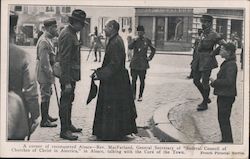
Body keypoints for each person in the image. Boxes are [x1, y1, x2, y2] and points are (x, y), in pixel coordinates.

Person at [90, 20, 138, 141]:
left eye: (106, 27)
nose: (104, 29)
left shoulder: (116, 42)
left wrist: (100, 74)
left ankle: (110, 134)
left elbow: (115, 64)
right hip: (114, 79)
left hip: (114, 81)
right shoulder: (115, 40)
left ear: (112, 28)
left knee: (111, 107)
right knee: (114, 108)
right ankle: (114, 132)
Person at [57, 9, 88, 140]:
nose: (82, 27)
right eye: (81, 24)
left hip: (71, 75)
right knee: (65, 101)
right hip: (67, 76)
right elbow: (64, 59)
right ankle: (64, 130)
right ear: (75, 22)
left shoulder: (72, 33)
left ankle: (68, 125)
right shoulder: (67, 35)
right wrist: (67, 81)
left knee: (69, 100)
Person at [8, 11, 40, 140]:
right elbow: (30, 90)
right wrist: (35, 115)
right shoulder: (22, 55)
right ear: (14, 29)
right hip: (14, 113)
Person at [191, 14, 226, 111]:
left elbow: (224, 44)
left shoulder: (214, 34)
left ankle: (205, 103)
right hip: (198, 60)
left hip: (207, 60)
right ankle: (206, 97)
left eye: (205, 22)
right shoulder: (202, 33)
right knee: (196, 80)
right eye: (202, 22)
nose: (203, 24)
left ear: (210, 23)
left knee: (205, 82)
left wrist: (214, 53)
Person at [210, 43, 237, 143]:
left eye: (222, 50)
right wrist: (214, 84)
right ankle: (226, 139)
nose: (220, 51)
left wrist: (215, 82)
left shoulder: (231, 64)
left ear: (228, 52)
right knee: (222, 119)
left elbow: (229, 81)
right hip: (224, 95)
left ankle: (228, 141)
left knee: (224, 119)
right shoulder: (228, 62)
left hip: (226, 96)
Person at [36, 18, 59, 128]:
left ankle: (46, 115)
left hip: (45, 72)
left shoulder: (48, 39)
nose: (56, 29)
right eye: (55, 27)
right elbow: (45, 63)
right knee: (45, 94)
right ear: (50, 28)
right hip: (44, 73)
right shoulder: (44, 41)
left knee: (48, 93)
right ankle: (44, 121)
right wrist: (51, 76)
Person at [128, 25, 156, 101]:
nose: (139, 33)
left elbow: (153, 49)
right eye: (138, 32)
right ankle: (133, 95)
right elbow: (129, 47)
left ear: (144, 32)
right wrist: (133, 41)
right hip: (134, 63)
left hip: (143, 64)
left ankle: (140, 95)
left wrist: (149, 57)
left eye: (141, 32)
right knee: (133, 80)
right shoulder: (135, 40)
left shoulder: (147, 40)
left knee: (142, 81)